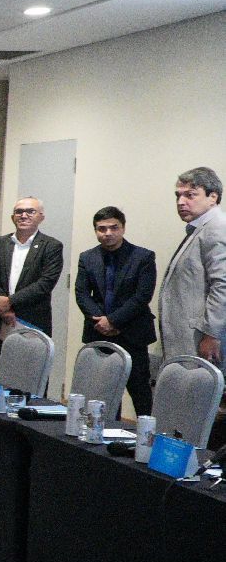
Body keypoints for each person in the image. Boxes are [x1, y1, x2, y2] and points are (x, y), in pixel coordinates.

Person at [75, 206, 156, 416]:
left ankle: (146, 433)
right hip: (98, 333)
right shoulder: (87, 257)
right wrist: (100, 322)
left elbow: (142, 296)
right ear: (95, 230)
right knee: (103, 391)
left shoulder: (143, 257)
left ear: (123, 228)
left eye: (114, 227)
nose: (108, 233)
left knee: (140, 391)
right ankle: (106, 431)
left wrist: (113, 321)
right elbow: (82, 294)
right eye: (102, 229)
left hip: (132, 334)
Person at [159, 166, 226, 363]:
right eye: (178, 196)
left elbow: (222, 285)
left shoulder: (217, 228)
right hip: (189, 339)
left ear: (213, 197)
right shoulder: (200, 228)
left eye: (190, 195)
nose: (181, 202)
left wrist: (212, 334)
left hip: (201, 340)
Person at [0, 197, 64, 361]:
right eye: (19, 212)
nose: (24, 215)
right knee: (5, 370)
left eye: (30, 211)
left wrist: (9, 302)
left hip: (33, 320)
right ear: (12, 217)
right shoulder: (0, 243)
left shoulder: (51, 246)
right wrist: (3, 308)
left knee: (32, 372)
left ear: (41, 217)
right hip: (4, 319)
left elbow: (45, 283)